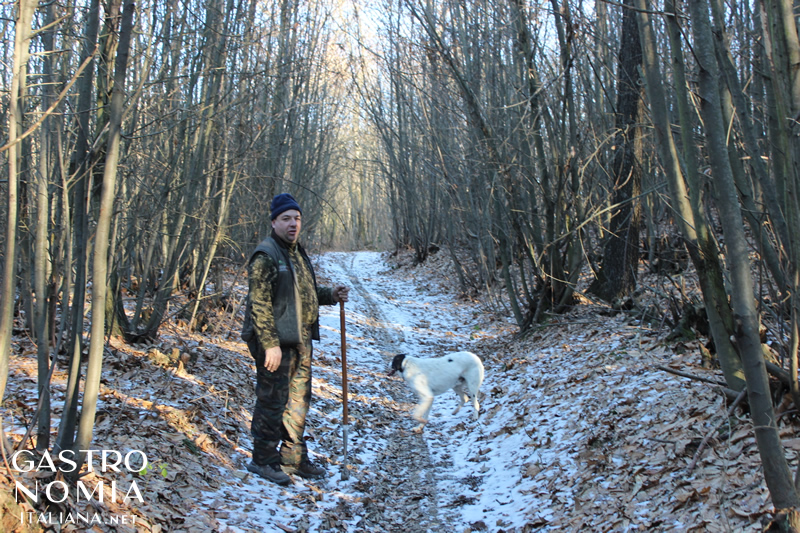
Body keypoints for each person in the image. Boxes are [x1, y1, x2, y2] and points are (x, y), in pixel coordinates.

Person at [241, 193, 349, 485]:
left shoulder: (296, 252)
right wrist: (269, 345)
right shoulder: (266, 255)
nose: (293, 224)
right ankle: (263, 459)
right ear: (274, 221)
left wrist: (330, 295)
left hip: (300, 341)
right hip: (276, 343)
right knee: (272, 402)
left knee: (298, 402)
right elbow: (259, 303)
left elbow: (303, 295)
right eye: (286, 218)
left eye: (297, 218)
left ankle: (293, 458)